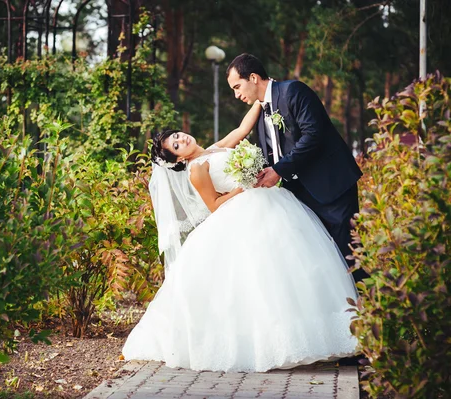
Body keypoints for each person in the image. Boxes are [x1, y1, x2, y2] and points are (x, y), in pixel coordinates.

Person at [122, 109, 359, 372]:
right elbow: (213, 205)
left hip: (271, 202)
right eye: (176, 146)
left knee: (291, 265)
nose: (182, 140)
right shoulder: (196, 170)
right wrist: (243, 185)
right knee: (259, 274)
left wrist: (259, 99)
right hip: (244, 208)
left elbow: (242, 130)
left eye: (177, 136)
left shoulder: (214, 149)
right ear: (177, 158)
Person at [226, 53, 368, 282]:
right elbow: (273, 155)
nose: (236, 94)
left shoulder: (293, 91)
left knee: (348, 255)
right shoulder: (261, 114)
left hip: (331, 186)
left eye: (237, 86)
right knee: (322, 259)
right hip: (301, 196)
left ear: (253, 77)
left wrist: (278, 171)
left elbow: (314, 135)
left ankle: (371, 309)